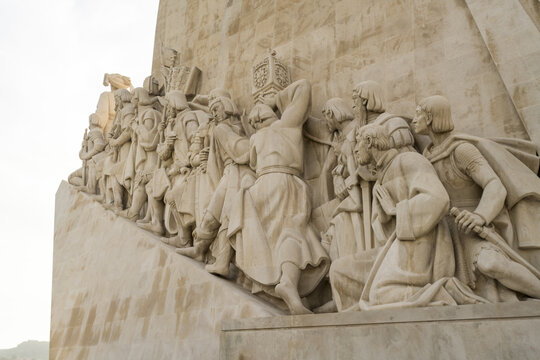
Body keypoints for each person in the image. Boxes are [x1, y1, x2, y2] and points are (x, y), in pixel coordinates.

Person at [414, 95, 540, 301]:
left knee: (491, 264)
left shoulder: (461, 150)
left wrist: (480, 216)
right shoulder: (426, 157)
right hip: (442, 233)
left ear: (430, 118)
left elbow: (494, 185)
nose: (414, 118)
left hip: (471, 228)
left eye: (418, 112)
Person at [349, 124, 483, 310]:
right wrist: (383, 216)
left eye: (357, 143)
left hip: (424, 243)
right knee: (339, 272)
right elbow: (381, 231)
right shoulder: (381, 176)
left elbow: (438, 199)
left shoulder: (409, 160)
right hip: (400, 243)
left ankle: (443, 290)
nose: (354, 149)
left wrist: (396, 211)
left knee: (379, 294)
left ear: (370, 141)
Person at [227, 79, 330, 315]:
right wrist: (275, 99)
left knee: (277, 236)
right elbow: (303, 87)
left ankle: (285, 283)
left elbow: (247, 159)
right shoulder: (286, 125)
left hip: (260, 187)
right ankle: (288, 283)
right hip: (284, 182)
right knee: (293, 233)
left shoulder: (255, 139)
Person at [177, 93, 253, 276]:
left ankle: (222, 261)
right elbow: (196, 155)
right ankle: (200, 249)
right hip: (227, 172)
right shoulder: (218, 128)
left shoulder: (231, 127)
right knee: (213, 214)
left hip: (237, 172)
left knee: (227, 214)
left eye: (216, 109)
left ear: (226, 106)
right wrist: (202, 157)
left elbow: (239, 148)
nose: (214, 113)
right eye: (211, 110)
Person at [68, 114, 107, 195]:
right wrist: (84, 145)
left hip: (93, 165)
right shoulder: (90, 134)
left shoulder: (96, 131)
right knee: (71, 178)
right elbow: (81, 155)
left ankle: (89, 187)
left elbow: (99, 146)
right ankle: (84, 185)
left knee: (73, 178)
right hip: (87, 166)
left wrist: (87, 155)